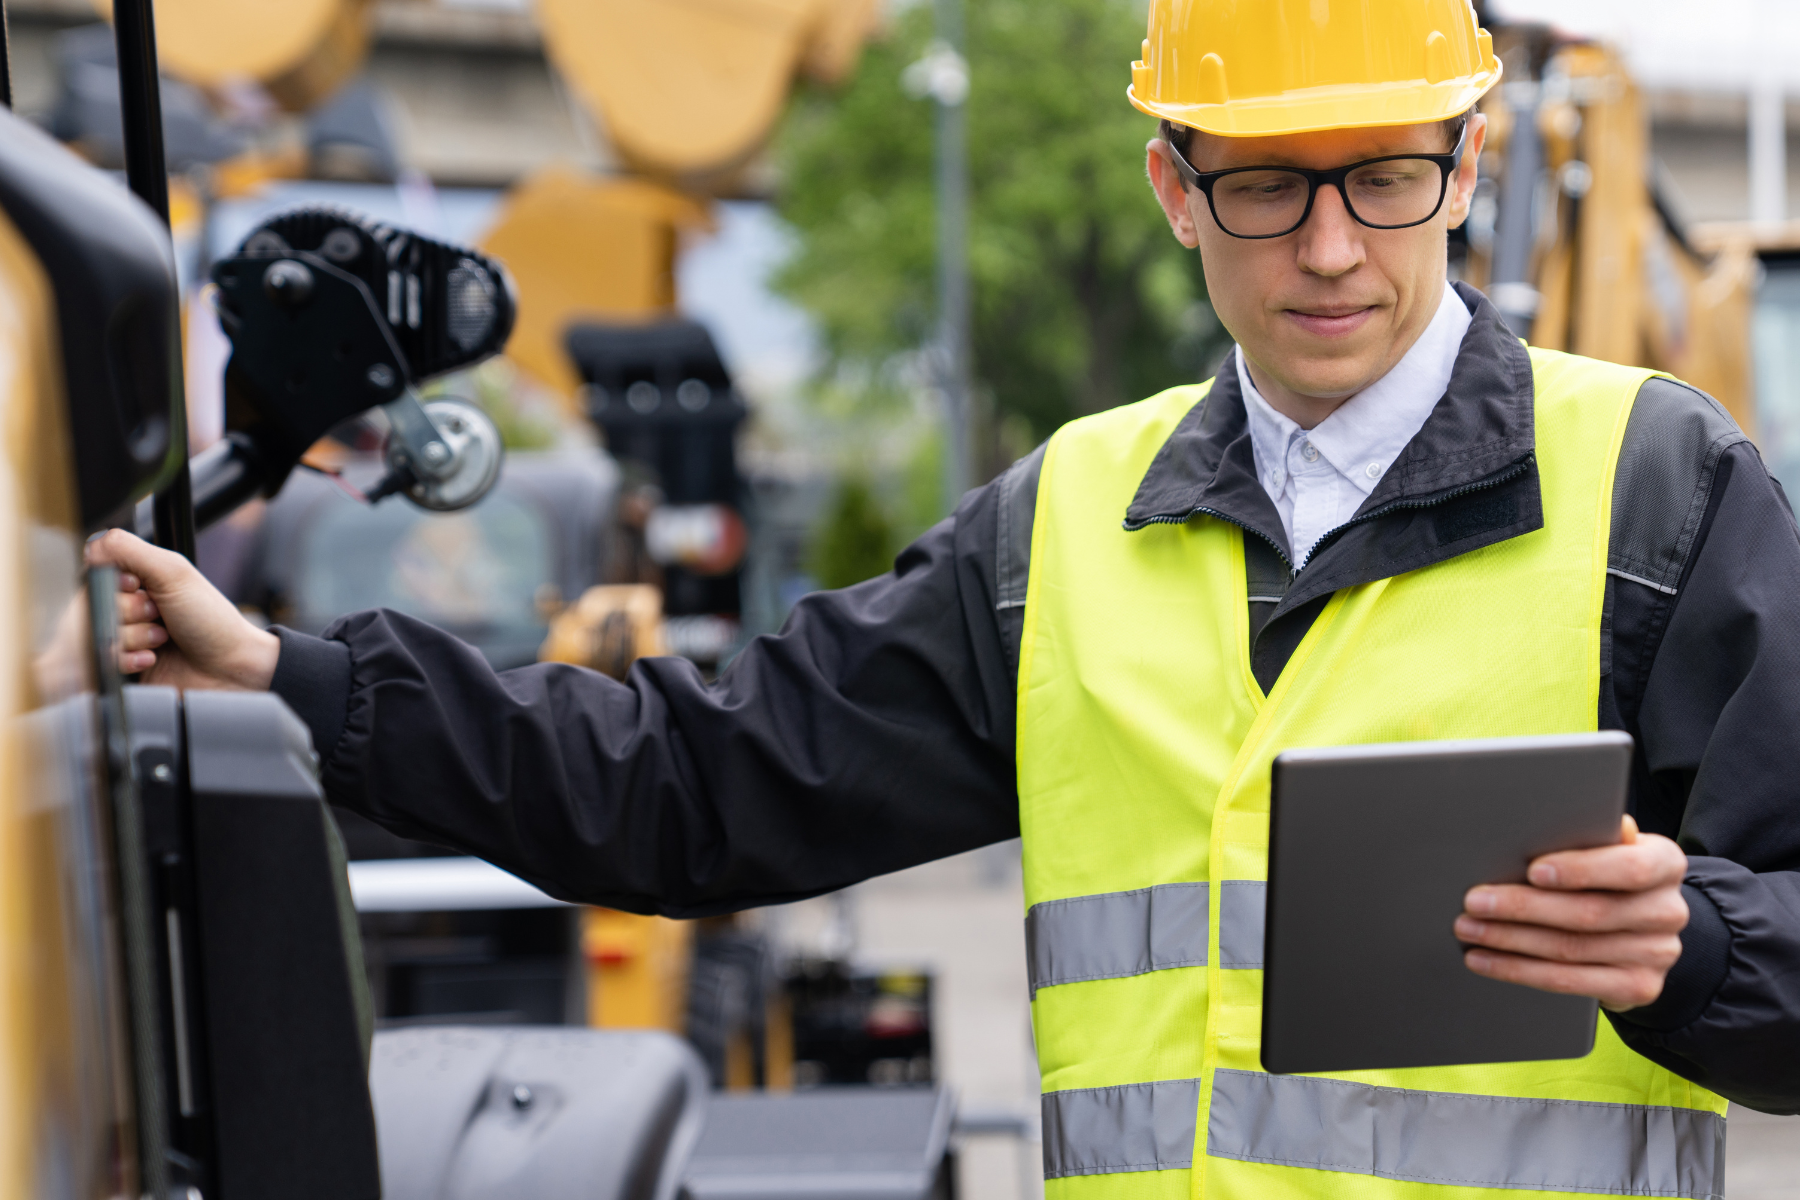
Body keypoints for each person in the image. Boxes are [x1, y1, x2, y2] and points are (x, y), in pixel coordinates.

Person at [95, 0, 1800, 1193]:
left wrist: (1694, 944)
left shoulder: (1663, 495)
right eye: (1268, 187)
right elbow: (694, 786)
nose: (1334, 248)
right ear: (1173, 188)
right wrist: (295, 679)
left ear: (1469, 159)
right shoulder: (1066, 524)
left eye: (1383, 176)